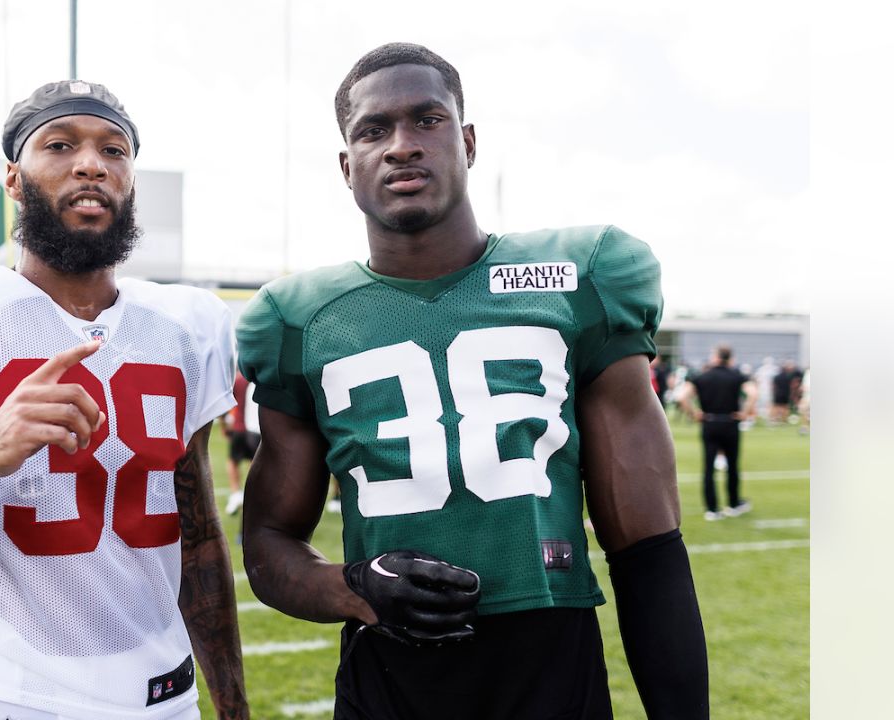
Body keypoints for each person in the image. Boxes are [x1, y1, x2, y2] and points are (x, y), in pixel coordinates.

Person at [236, 43, 708, 719]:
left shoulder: (579, 275)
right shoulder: (297, 318)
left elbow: (648, 546)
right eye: (374, 130)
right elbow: (267, 543)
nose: (402, 146)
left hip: (550, 672)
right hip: (390, 682)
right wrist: (355, 589)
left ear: (467, 141)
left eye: (426, 120)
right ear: (348, 166)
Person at [0, 80, 248, 720]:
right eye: (59, 144)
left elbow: (196, 541)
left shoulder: (188, 322)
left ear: (131, 181)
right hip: (16, 699)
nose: (91, 163)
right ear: (12, 179)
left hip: (170, 698)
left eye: (115, 151)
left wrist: (233, 704)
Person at [677, 344, 758, 520]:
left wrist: (695, 413)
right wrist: (745, 413)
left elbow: (682, 397)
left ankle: (712, 509)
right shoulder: (737, 375)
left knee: (708, 468)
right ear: (730, 358)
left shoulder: (701, 376)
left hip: (710, 422)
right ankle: (734, 503)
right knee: (732, 466)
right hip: (730, 422)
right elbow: (752, 393)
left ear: (715, 357)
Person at [219, 371, 259, 515]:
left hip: (238, 428)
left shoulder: (238, 380)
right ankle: (250, 495)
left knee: (233, 462)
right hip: (255, 430)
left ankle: (236, 493)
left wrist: (224, 426)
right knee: (253, 463)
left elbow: (226, 405)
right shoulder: (259, 379)